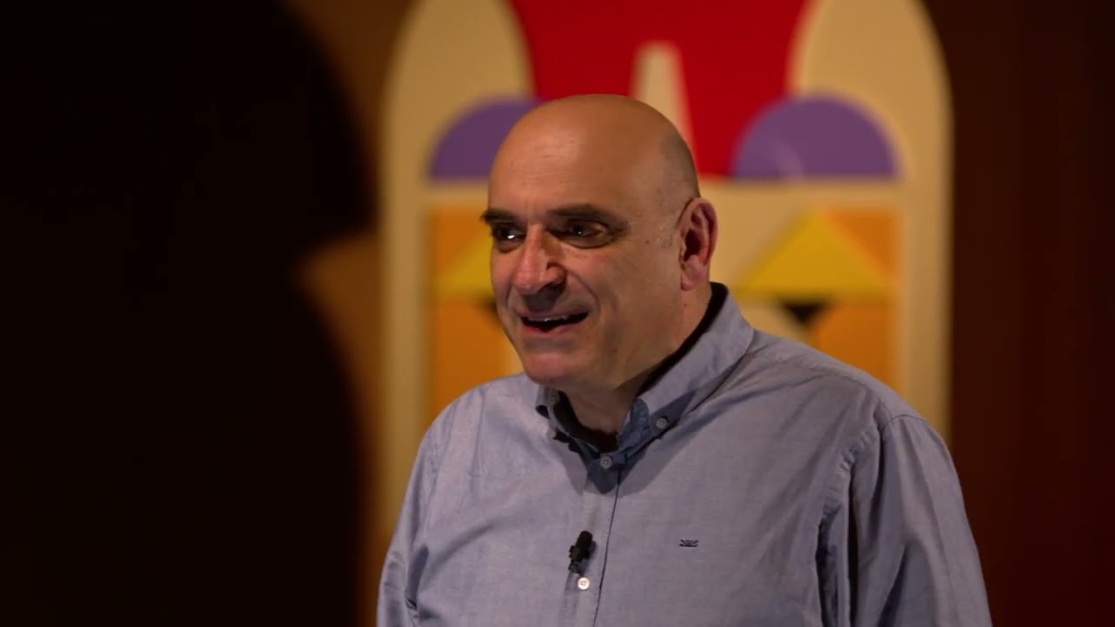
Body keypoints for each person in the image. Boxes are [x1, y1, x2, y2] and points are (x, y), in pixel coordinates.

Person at [377, 95, 991, 626]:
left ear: (691, 245)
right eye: (508, 234)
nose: (531, 276)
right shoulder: (461, 445)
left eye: (581, 230)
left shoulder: (859, 441)